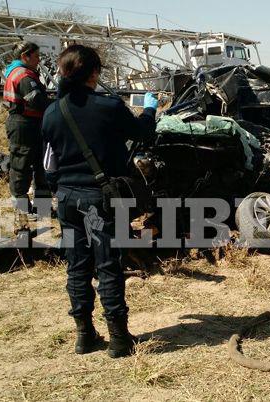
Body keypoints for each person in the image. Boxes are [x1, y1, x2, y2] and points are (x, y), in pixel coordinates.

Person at [41, 45, 158, 358]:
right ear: (93, 73)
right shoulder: (108, 106)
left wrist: (61, 190)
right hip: (100, 200)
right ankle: (119, 339)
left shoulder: (52, 112)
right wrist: (149, 109)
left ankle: (84, 335)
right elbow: (143, 133)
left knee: (76, 267)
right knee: (108, 266)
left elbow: (48, 166)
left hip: (66, 199)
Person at [3, 41, 52, 230]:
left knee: (42, 165)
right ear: (25, 56)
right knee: (21, 167)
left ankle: (43, 210)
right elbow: (37, 100)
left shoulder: (21, 72)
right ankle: (22, 212)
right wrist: (59, 105)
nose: (39, 60)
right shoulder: (23, 75)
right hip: (24, 124)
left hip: (30, 123)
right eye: (37, 56)